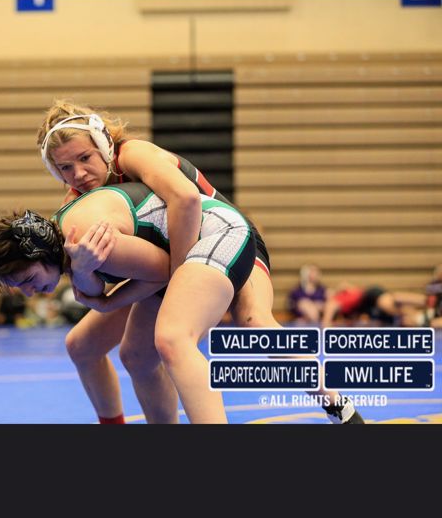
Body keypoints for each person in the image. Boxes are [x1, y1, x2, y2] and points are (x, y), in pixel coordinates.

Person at [35, 101, 364, 426]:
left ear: (103, 143)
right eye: (65, 168)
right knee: (119, 352)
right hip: (171, 261)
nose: (78, 174)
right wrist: (85, 270)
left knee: (254, 320)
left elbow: (186, 198)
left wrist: (177, 282)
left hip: (225, 239)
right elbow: (105, 276)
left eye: (85, 158)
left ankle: (337, 405)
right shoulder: (76, 202)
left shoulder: (132, 155)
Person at [0, 181, 256, 424]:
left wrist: (110, 302)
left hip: (219, 234)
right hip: (182, 253)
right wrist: (88, 278)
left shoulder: (92, 240)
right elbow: (98, 288)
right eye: (20, 287)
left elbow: (166, 270)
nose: (29, 293)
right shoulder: (67, 246)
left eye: (29, 279)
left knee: (173, 341)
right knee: (107, 351)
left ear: (42, 253)